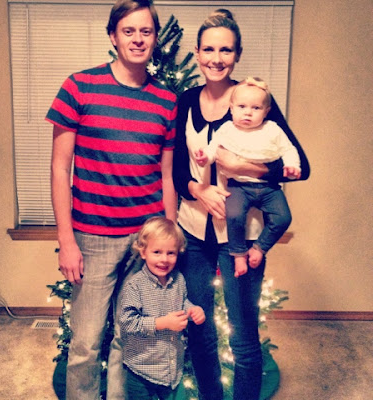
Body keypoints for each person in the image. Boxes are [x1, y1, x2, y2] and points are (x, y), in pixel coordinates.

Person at [173, 9, 310, 400]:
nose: (217, 58)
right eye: (209, 49)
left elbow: (299, 166)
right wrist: (197, 190)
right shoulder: (185, 101)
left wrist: (241, 166)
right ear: (197, 53)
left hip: (242, 238)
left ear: (237, 55)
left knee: (243, 334)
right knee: (200, 329)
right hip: (193, 233)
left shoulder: (254, 100)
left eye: (226, 50)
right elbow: (177, 167)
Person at [47, 0, 177, 399]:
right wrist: (66, 240)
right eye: (128, 31)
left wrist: (170, 235)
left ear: (155, 38)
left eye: (146, 31)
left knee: (129, 337)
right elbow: (59, 169)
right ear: (113, 36)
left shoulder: (166, 100)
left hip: (145, 239)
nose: (138, 39)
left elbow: (166, 174)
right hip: (93, 238)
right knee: (86, 342)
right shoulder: (79, 87)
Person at [194, 77, 301, 277]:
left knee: (283, 217)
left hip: (269, 188)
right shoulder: (227, 129)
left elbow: (288, 149)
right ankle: (238, 255)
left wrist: (292, 165)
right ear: (231, 108)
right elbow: (213, 149)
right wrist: (204, 158)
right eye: (242, 106)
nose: (248, 112)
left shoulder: (272, 129)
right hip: (238, 186)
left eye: (256, 108)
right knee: (234, 216)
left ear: (266, 111)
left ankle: (259, 248)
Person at [119, 216, 205, 400]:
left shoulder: (178, 279)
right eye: (157, 252)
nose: (164, 259)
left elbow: (182, 303)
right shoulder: (135, 286)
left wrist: (192, 310)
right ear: (143, 252)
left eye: (170, 253)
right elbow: (127, 323)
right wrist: (162, 323)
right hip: (141, 370)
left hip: (171, 370)